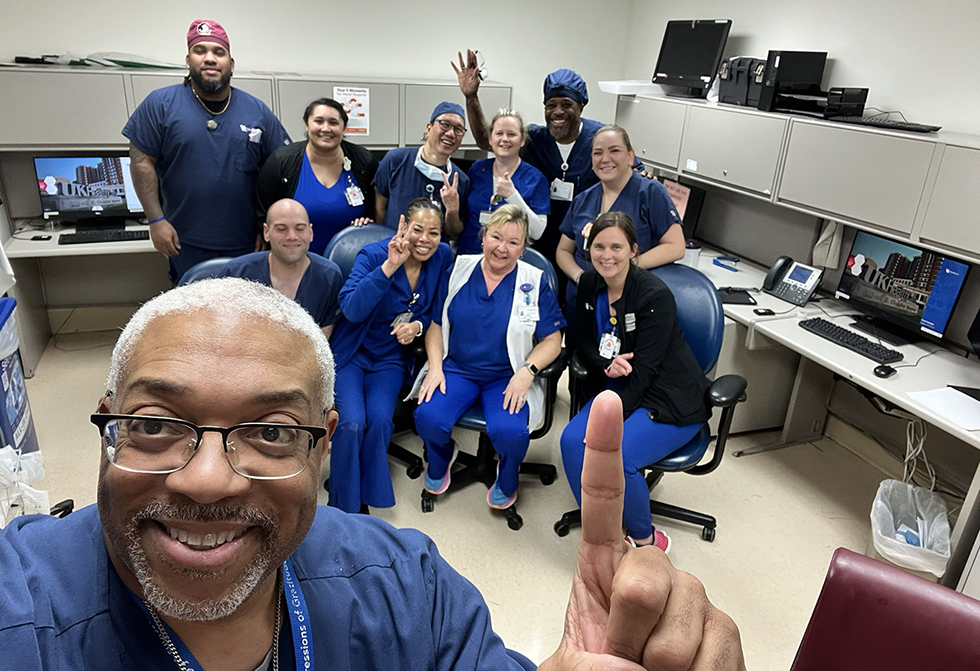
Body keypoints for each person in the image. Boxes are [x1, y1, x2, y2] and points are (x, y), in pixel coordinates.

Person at [0, 277, 745, 670]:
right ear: (106, 422)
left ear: (322, 445)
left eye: (269, 431)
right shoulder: (19, 615)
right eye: (158, 424)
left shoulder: (408, 590)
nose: (206, 480)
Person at [560, 212, 710, 552]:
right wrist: (605, 363)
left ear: (633, 250)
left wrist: (603, 430)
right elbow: (582, 340)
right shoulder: (588, 284)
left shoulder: (654, 296)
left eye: (616, 246)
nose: (606, 255)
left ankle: (646, 540)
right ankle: (600, 527)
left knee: (619, 457)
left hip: (669, 397)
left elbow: (644, 372)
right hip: (621, 386)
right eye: (599, 246)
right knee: (571, 441)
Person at [454, 52, 642, 297]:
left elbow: (630, 169)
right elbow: (486, 140)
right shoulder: (536, 139)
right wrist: (471, 97)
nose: (558, 111)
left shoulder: (599, 138)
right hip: (539, 244)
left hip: (580, 246)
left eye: (566, 104)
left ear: (581, 106)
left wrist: (646, 177)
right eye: (551, 105)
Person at [413, 205, 564, 510]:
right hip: (457, 368)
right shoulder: (458, 270)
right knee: (428, 417)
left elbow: (553, 339)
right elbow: (436, 324)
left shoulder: (534, 282)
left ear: (523, 248)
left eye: (513, 242)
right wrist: (435, 367)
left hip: (507, 374)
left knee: (510, 432)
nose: (502, 248)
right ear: (483, 237)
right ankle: (443, 455)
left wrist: (528, 370)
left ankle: (507, 475)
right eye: (496, 237)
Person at [123, 19, 290, 283]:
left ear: (231, 64)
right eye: (200, 51)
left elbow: (281, 169)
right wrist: (155, 220)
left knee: (244, 313)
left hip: (246, 240)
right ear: (188, 60)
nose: (210, 58)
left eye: (218, 52)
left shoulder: (256, 110)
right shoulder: (161, 104)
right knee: (193, 316)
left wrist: (267, 226)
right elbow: (141, 162)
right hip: (184, 239)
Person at [328, 198, 453, 514]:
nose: (425, 240)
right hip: (353, 351)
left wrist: (417, 326)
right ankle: (345, 504)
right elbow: (352, 310)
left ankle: (366, 495)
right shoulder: (373, 254)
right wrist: (390, 266)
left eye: (434, 233)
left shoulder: (442, 259)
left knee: (382, 420)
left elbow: (435, 313)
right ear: (404, 225)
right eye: (418, 230)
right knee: (353, 422)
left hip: (391, 357)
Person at [555, 125, 685, 322]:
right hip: (582, 302)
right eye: (598, 153)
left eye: (614, 150)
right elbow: (563, 251)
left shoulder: (650, 192)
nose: (605, 159)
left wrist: (625, 267)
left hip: (627, 303)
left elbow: (676, 247)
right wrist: (582, 278)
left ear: (630, 156)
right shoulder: (583, 200)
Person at [255, 98, 377, 255]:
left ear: (344, 127)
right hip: (295, 260)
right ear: (307, 125)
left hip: (350, 261)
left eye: (333, 122)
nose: (326, 128)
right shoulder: (281, 161)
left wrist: (368, 222)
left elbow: (377, 209)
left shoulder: (364, 162)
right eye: (318, 121)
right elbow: (263, 208)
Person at [218, 198, 342, 337]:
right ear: (266, 232)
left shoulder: (329, 277)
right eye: (281, 229)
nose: (291, 236)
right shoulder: (237, 274)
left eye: (300, 228)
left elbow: (322, 345)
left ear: (310, 232)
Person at [458, 109, 550, 255]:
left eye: (512, 134)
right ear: (490, 139)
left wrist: (512, 196)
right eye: (499, 133)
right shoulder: (477, 169)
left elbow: (537, 232)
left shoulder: (535, 179)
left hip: (506, 259)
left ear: (522, 140)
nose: (504, 139)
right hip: (470, 255)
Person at [373, 102, 470, 237]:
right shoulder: (396, 160)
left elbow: (454, 232)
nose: (450, 133)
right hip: (394, 248)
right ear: (429, 128)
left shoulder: (460, 180)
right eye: (445, 125)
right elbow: (379, 209)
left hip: (432, 253)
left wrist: (452, 210)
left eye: (458, 129)